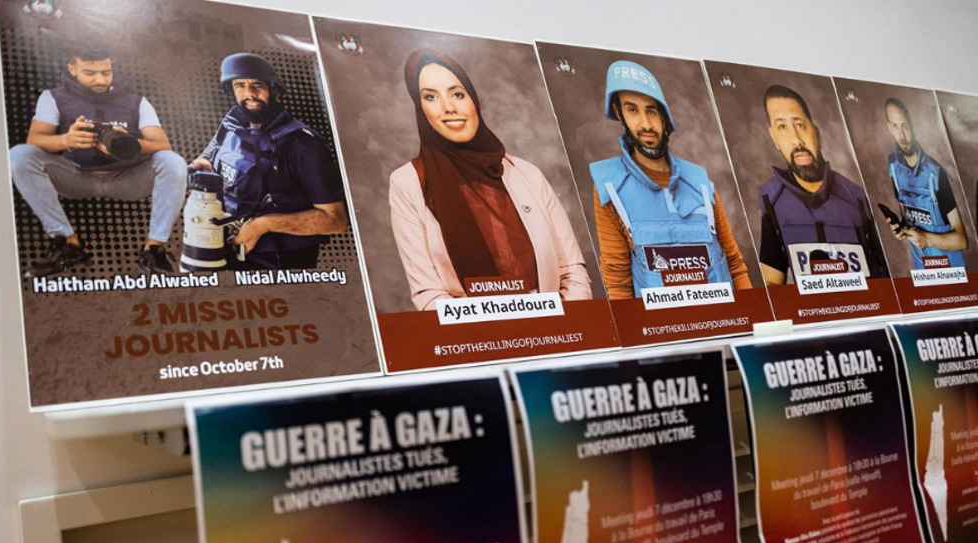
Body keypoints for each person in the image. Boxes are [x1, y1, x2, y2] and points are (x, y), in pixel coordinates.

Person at [389, 50, 591, 311]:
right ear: (420, 107)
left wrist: (562, 326)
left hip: (557, 326)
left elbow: (572, 270)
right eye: (430, 96)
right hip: (479, 338)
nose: (449, 107)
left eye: (457, 94)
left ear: (473, 100)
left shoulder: (527, 173)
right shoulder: (408, 183)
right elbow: (428, 295)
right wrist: (492, 337)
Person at [9, 45, 187, 276]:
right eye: (90, 73)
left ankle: (153, 249)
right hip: (76, 175)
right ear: (72, 69)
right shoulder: (53, 97)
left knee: (173, 161)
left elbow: (163, 146)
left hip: (126, 178)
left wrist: (129, 143)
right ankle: (68, 242)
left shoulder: (136, 101)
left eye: (106, 72)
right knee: (19, 155)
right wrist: (66, 140)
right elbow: (35, 139)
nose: (100, 79)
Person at [589, 60, 751, 299]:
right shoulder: (610, 187)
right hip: (665, 331)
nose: (645, 124)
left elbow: (735, 265)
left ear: (664, 117)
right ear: (618, 112)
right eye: (632, 109)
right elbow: (618, 285)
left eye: (652, 111)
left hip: (724, 325)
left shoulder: (700, 182)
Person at [190, 53, 347, 270]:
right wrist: (203, 167)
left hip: (280, 264)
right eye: (240, 85)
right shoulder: (231, 124)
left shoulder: (303, 146)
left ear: (275, 90)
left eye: (257, 85)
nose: (249, 93)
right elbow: (210, 156)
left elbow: (335, 221)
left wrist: (264, 225)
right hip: (225, 251)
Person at [758, 85, 888, 285]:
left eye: (800, 125)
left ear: (815, 133)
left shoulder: (857, 197)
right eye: (782, 127)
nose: (796, 140)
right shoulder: (770, 199)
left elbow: (883, 281)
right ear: (774, 138)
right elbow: (772, 288)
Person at [883, 98, 967, 268]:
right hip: (922, 272)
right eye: (895, 126)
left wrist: (926, 239)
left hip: (951, 275)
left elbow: (961, 240)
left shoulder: (936, 175)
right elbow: (912, 217)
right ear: (889, 128)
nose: (901, 134)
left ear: (913, 127)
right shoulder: (894, 169)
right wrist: (901, 229)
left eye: (905, 126)